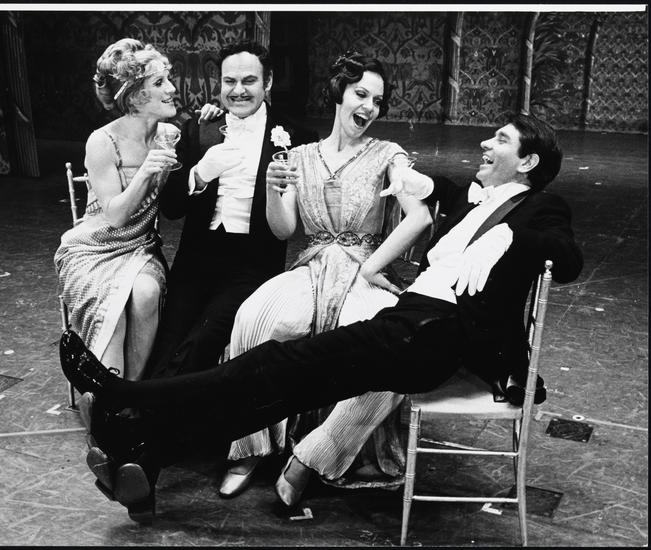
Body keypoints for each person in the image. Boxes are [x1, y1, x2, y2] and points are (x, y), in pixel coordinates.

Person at [59, 113, 584, 524]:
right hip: (410, 321)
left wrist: (512, 234)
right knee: (277, 384)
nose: (486, 144)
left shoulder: (541, 208)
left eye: (500, 140)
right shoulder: (476, 196)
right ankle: (145, 455)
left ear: (528, 162)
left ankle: (124, 398)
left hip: (435, 335)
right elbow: (430, 190)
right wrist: (419, 185)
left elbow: (568, 259)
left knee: (278, 366)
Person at [219, 52, 432, 500]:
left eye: (377, 100)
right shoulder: (300, 156)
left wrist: (371, 265)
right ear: (339, 93)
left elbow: (420, 217)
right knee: (254, 317)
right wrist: (274, 190)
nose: (369, 107)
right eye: (361, 94)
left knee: (391, 346)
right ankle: (250, 447)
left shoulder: (387, 154)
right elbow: (284, 229)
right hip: (313, 267)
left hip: (364, 271)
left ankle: (314, 454)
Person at [143, 40, 318, 380]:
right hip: (197, 257)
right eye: (229, 81)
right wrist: (198, 175)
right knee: (169, 337)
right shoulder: (199, 128)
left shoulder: (297, 137)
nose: (238, 91)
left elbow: (292, 222)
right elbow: (172, 209)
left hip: (253, 262)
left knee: (203, 340)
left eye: (249, 81)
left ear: (267, 82)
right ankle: (147, 403)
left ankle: (142, 403)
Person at [54, 38, 179, 391]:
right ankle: (106, 396)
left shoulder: (170, 135)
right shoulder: (102, 142)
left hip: (139, 248)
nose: (172, 89)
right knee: (113, 305)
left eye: (168, 79)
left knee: (146, 292)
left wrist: (213, 114)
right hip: (94, 249)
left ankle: (130, 394)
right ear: (135, 97)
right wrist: (145, 171)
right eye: (160, 82)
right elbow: (114, 217)